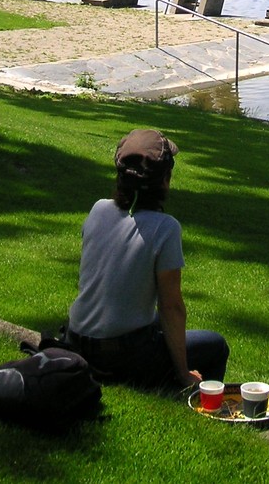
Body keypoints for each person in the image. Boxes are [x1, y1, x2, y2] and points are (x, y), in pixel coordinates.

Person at [64, 128, 229, 390]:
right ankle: (196, 401)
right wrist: (184, 372)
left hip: (75, 340)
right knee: (215, 345)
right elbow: (171, 308)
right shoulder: (165, 228)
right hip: (119, 356)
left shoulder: (98, 209)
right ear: (165, 179)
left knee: (153, 322)